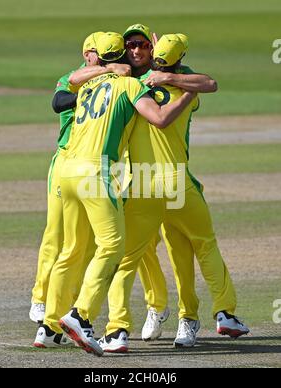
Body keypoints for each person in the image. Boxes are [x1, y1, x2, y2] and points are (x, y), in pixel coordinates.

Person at [34, 32, 197, 356]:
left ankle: (49, 327)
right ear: (122, 58)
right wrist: (185, 94)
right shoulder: (130, 85)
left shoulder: (88, 84)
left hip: (66, 171)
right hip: (96, 172)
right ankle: (81, 315)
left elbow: (65, 89)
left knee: (71, 248)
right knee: (113, 246)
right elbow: (160, 118)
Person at [98, 33, 249, 353]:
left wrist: (166, 75)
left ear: (153, 51)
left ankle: (134, 328)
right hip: (172, 184)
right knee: (194, 248)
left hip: (144, 184)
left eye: (143, 45)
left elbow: (208, 82)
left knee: (145, 258)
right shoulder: (178, 85)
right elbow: (208, 84)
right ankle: (216, 312)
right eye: (131, 45)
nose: (136, 50)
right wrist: (171, 74)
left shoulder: (138, 84)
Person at [29, 32, 131, 329]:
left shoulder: (114, 76)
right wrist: (104, 79)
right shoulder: (75, 77)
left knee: (86, 244)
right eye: (94, 53)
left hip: (93, 164)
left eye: (104, 54)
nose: (98, 57)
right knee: (55, 234)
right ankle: (40, 297)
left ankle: (65, 309)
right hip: (66, 160)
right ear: (87, 54)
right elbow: (59, 101)